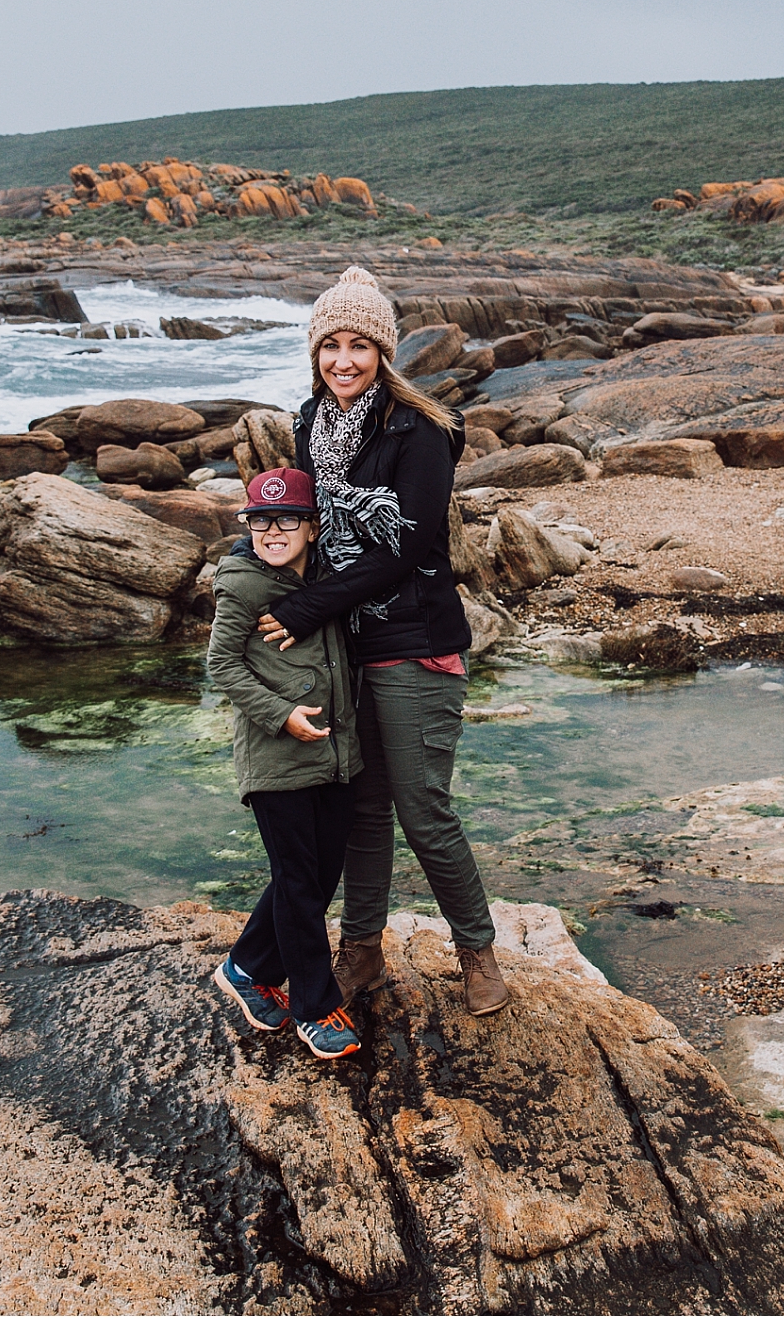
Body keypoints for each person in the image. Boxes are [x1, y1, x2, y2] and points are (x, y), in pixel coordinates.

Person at [257, 266, 508, 1017]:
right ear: (315, 353)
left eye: (359, 345)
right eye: (330, 345)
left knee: (423, 809)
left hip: (414, 640)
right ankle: (360, 950)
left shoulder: (419, 429)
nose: (344, 360)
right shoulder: (311, 423)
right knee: (360, 811)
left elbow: (404, 547)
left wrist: (306, 608)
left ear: (384, 352)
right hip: (347, 647)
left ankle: (478, 952)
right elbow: (309, 530)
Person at [205, 466, 368, 1059]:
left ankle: (247, 967)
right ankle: (315, 1009)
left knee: (317, 876)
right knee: (299, 880)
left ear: (313, 527)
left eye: (288, 520)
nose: (273, 532)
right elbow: (222, 664)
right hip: (276, 758)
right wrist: (280, 715)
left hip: (335, 754)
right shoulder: (242, 583)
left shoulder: (327, 577)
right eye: (261, 521)